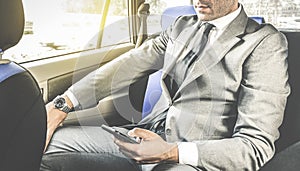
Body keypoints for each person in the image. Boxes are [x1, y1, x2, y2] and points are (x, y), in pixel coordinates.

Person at [41, 0, 290, 170]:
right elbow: (127, 66)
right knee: (40, 144)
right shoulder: (182, 26)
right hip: (144, 135)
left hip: (192, 160)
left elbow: (254, 147)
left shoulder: (264, 43)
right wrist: (64, 104)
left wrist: (172, 151)